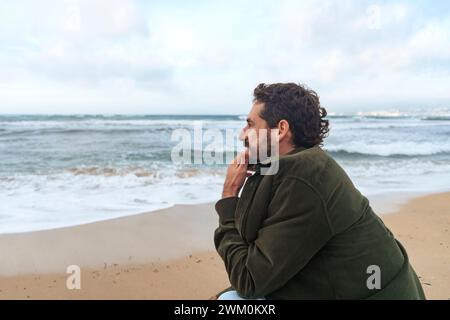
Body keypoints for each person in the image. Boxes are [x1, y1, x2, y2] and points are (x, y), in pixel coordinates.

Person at [213, 83, 425, 300]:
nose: (242, 135)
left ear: (281, 130)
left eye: (250, 125)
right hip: (364, 288)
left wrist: (229, 194)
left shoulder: (303, 178)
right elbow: (257, 252)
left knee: (229, 301)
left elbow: (249, 279)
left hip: (379, 294)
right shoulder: (297, 166)